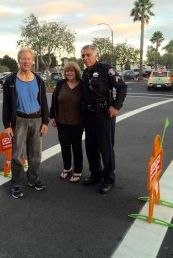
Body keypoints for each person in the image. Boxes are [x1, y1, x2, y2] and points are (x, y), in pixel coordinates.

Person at [2, 48, 49, 199]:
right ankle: (16, 184)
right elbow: (6, 105)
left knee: (36, 154)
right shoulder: (10, 80)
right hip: (19, 121)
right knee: (17, 154)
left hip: (36, 120)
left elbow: (43, 102)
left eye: (29, 59)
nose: (26, 61)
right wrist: (7, 125)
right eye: (23, 58)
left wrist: (45, 121)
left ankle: (33, 179)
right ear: (19, 60)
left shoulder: (38, 80)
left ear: (33, 61)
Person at [81, 44, 127, 194]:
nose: (86, 58)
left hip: (104, 115)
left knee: (106, 148)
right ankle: (96, 174)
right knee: (91, 147)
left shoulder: (106, 69)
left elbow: (122, 87)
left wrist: (116, 106)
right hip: (89, 116)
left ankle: (109, 179)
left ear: (96, 55)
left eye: (88, 55)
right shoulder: (85, 73)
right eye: (83, 56)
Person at [50, 62, 83, 183]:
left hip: (77, 122)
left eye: (72, 71)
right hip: (61, 121)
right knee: (64, 146)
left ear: (76, 72)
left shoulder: (82, 85)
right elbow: (54, 100)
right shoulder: (60, 84)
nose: (69, 73)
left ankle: (78, 170)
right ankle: (67, 167)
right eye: (67, 71)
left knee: (76, 146)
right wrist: (52, 116)